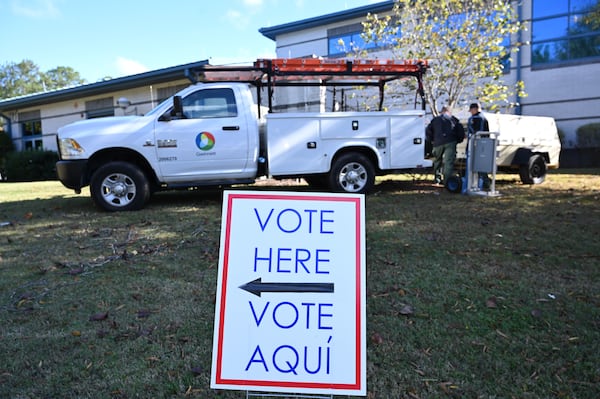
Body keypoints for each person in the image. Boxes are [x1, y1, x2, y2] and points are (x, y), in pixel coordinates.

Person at [425, 106, 465, 186]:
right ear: (449, 112)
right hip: (450, 142)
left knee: (437, 161)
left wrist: (432, 140)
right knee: (448, 162)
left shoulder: (435, 120)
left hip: (437, 142)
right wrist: (457, 141)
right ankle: (447, 182)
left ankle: (437, 180)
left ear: (442, 111)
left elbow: (428, 131)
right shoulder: (454, 119)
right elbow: (460, 132)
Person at [467, 103, 491, 190]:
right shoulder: (482, 118)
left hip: (477, 145)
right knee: (479, 164)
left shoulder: (477, 118)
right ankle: (483, 182)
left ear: (475, 109)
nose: (471, 113)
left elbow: (476, 132)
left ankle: (484, 182)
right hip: (481, 144)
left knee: (478, 164)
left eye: (471, 110)